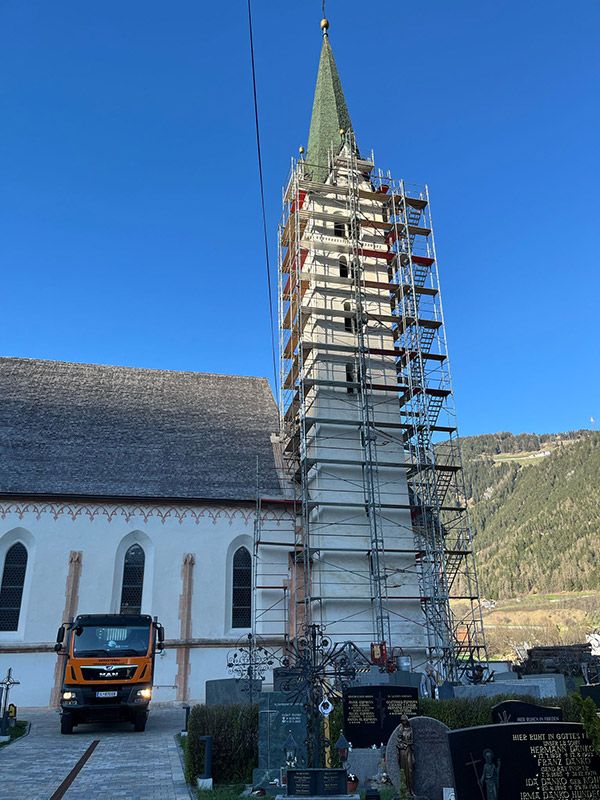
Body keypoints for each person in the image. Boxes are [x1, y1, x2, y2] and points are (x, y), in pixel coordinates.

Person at [396, 714, 415, 797]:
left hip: (409, 751)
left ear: (407, 721)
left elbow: (412, 741)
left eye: (405, 720)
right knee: (403, 770)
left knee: (410, 770)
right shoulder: (400, 729)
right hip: (402, 751)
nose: (404, 722)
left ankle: (411, 790)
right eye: (402, 721)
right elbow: (398, 741)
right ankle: (405, 791)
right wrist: (403, 745)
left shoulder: (410, 729)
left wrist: (407, 743)